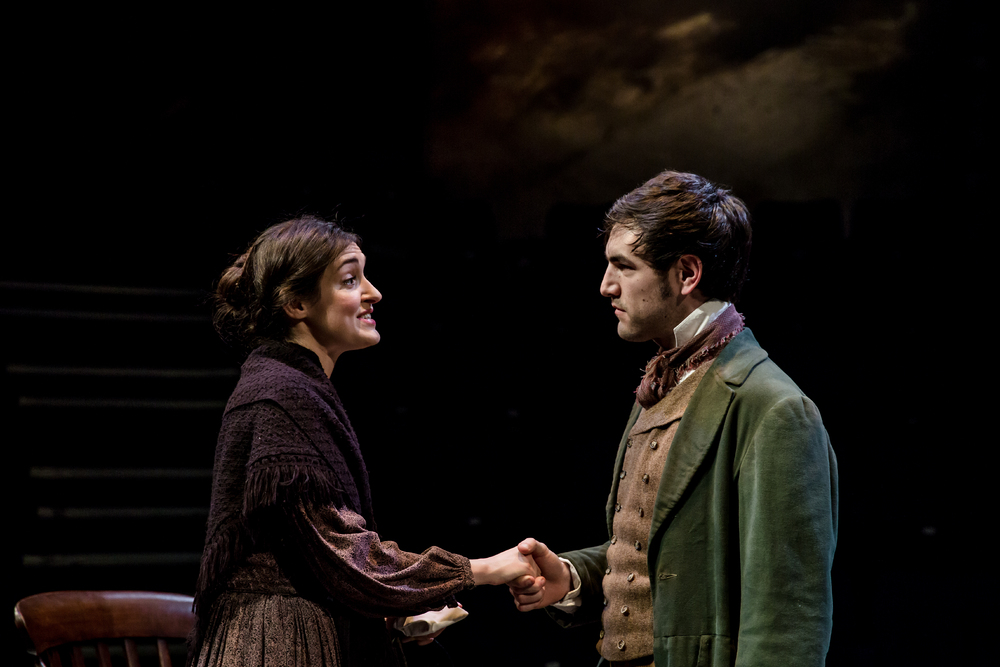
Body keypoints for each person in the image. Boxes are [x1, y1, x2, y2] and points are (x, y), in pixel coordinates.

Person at [509, 170, 838, 666]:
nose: (606, 286)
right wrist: (575, 577)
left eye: (624, 266)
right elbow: (660, 552)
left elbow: (787, 618)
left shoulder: (773, 408)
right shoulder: (663, 381)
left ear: (686, 274)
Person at [189, 216, 538, 667]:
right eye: (351, 280)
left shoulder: (295, 386)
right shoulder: (279, 393)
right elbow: (338, 550)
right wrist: (479, 569)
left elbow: (314, 560)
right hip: (279, 644)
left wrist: (388, 613)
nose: (374, 293)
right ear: (296, 302)